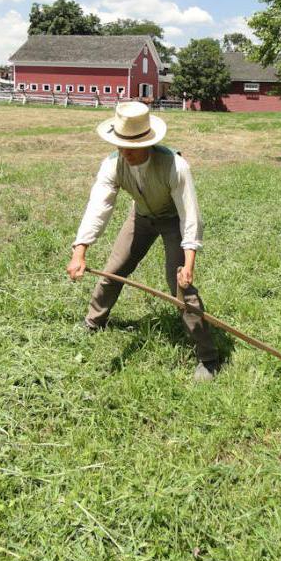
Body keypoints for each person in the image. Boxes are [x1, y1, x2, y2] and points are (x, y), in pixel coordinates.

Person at [66, 101, 220, 381]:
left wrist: (188, 264)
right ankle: (93, 322)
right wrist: (80, 250)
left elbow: (190, 217)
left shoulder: (175, 165)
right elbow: (98, 207)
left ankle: (207, 358)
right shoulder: (113, 164)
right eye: (120, 146)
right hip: (141, 217)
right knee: (114, 270)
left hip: (173, 220)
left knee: (180, 286)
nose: (125, 153)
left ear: (148, 142)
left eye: (131, 148)